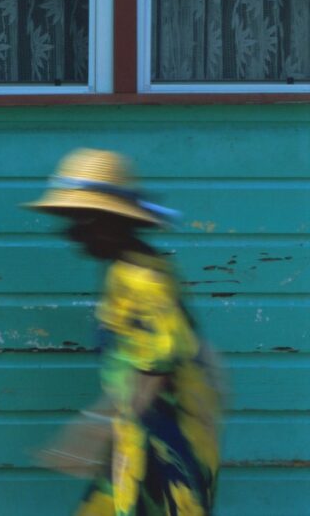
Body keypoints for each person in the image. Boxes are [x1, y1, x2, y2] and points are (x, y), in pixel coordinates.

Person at [25, 148, 221, 516]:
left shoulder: (141, 281)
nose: (71, 233)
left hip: (164, 451)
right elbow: (191, 346)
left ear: (112, 221)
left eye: (80, 220)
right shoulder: (132, 268)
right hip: (137, 438)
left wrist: (89, 432)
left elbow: (154, 367)